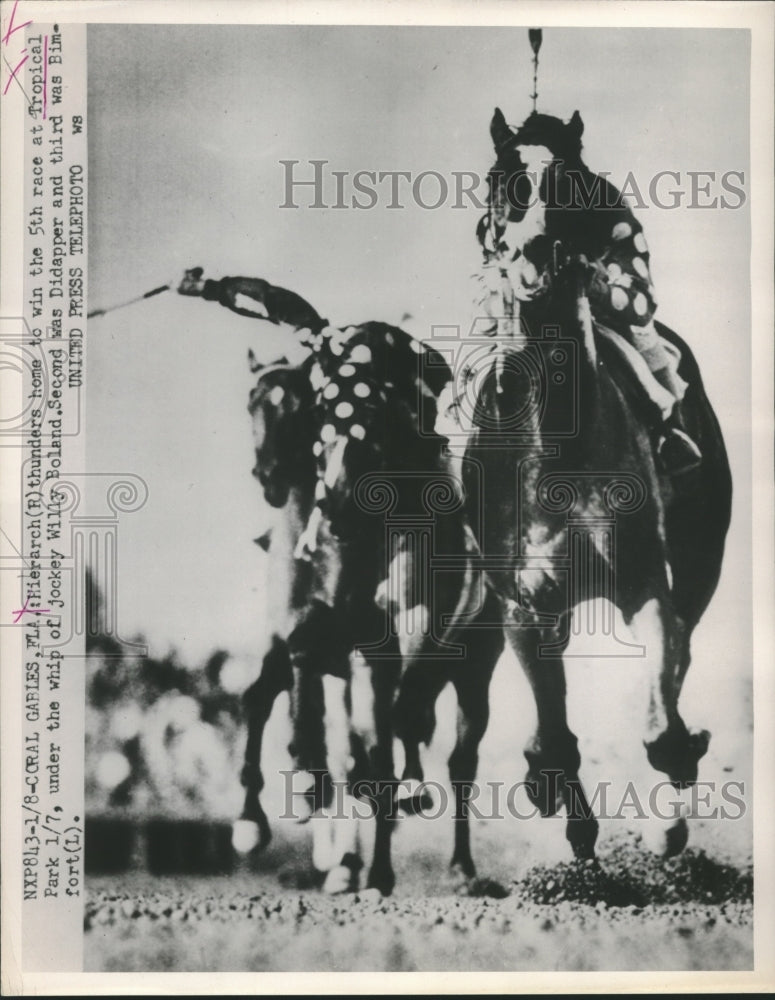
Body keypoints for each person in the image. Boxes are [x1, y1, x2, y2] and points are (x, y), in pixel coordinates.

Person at [477, 108, 702, 476]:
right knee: (463, 385)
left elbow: (639, 294)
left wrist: (596, 285)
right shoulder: (496, 212)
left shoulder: (606, 206)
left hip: (595, 314)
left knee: (645, 346)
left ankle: (668, 430)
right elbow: (490, 265)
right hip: (516, 321)